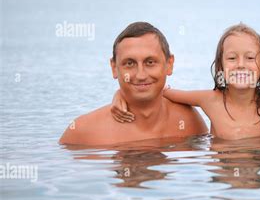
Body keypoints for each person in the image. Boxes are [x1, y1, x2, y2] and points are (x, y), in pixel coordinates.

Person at [112, 23, 260, 140]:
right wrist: (120, 94)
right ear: (220, 66)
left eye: (249, 58)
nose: (241, 65)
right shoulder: (209, 100)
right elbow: (161, 91)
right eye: (232, 58)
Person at [59, 22, 208, 146]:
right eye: (129, 63)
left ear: (169, 64)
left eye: (150, 62)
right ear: (114, 67)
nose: (141, 75)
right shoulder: (82, 132)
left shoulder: (189, 122)